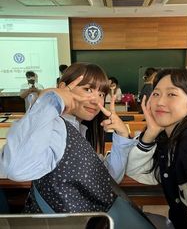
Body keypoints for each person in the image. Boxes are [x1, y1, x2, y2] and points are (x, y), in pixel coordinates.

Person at [101, 68, 187, 228]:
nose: (159, 101)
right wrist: (151, 133)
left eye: (171, 94)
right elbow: (136, 171)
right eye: (156, 93)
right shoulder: (171, 142)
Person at [1, 63, 119, 214]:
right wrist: (52, 100)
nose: (96, 101)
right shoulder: (56, 127)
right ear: (63, 87)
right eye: (88, 89)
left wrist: (121, 136)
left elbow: (105, 179)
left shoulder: (78, 129)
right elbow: (17, 169)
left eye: (101, 94)